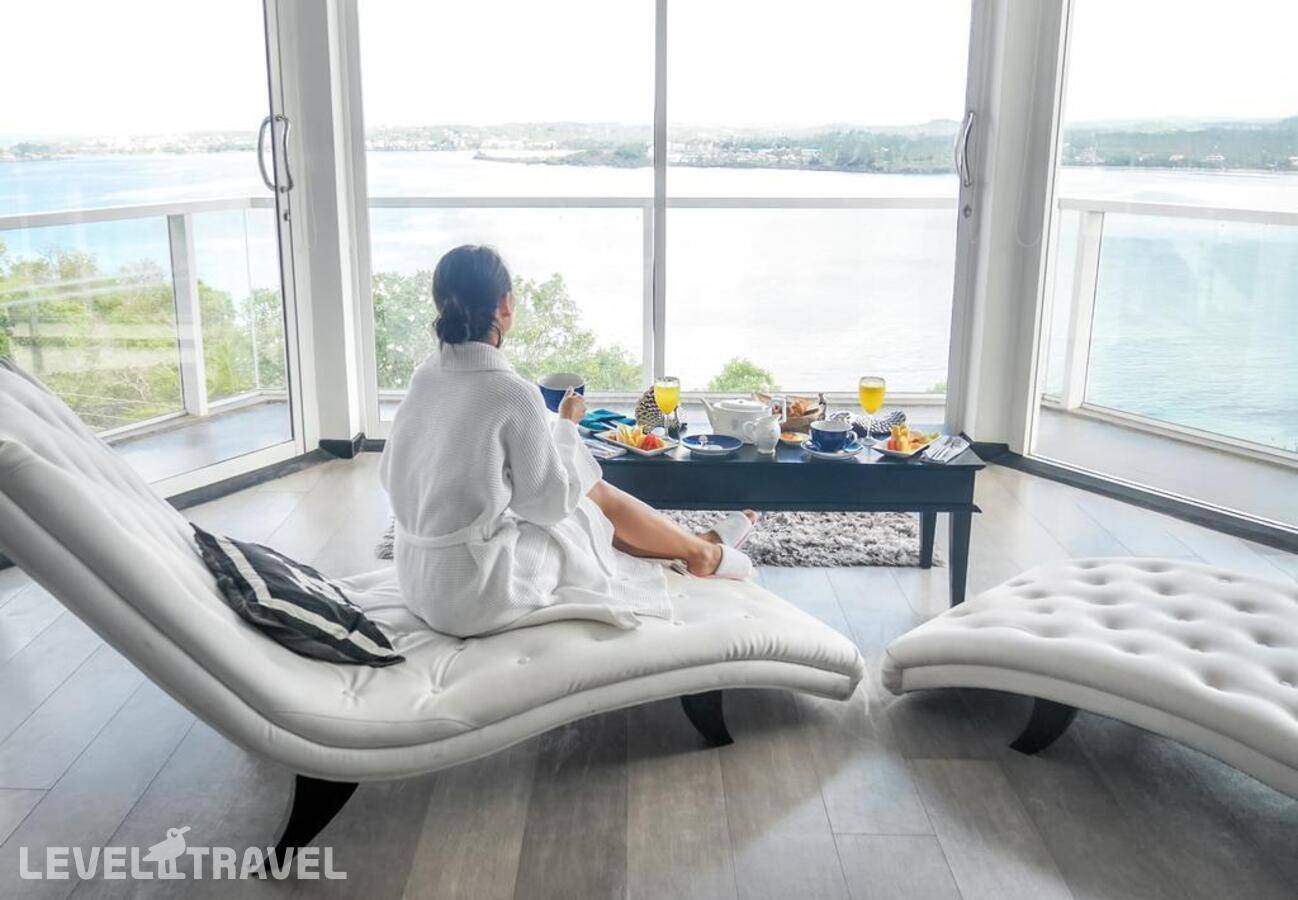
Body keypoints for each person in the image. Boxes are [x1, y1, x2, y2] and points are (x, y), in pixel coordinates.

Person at [379, 244, 757, 637]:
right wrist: (566, 426)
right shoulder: (512, 392)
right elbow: (550, 506)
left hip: (416, 579)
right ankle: (702, 551)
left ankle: (696, 546)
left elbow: (389, 476)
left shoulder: (424, 376)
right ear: (505, 305)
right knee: (583, 506)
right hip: (475, 594)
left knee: (580, 491)